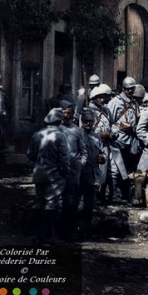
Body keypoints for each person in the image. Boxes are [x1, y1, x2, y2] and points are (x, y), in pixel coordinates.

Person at [27, 108, 70, 241]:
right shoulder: (60, 136)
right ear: (59, 121)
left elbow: (30, 154)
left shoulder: (37, 134)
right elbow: (64, 158)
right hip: (54, 174)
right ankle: (48, 235)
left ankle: (36, 233)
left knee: (39, 201)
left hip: (39, 172)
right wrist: (65, 172)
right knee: (51, 203)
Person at [58, 100, 87, 240]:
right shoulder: (55, 129)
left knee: (71, 200)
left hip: (73, 170)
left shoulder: (77, 130)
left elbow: (83, 151)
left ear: (73, 114)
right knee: (54, 200)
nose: (66, 116)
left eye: (69, 113)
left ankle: (68, 231)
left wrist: (80, 164)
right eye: (64, 113)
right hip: (57, 170)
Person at [77, 109, 105, 238]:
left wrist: (102, 157)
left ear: (94, 122)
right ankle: (73, 229)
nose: (88, 123)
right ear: (82, 121)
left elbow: (101, 151)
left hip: (92, 175)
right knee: (75, 203)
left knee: (89, 204)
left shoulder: (96, 136)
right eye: (85, 121)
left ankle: (86, 230)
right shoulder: (77, 135)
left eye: (90, 121)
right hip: (79, 174)